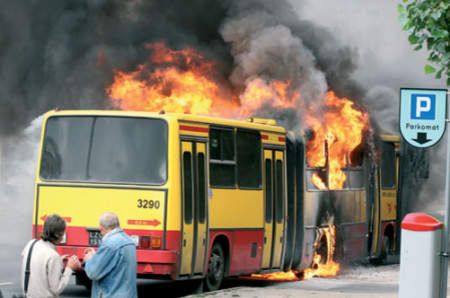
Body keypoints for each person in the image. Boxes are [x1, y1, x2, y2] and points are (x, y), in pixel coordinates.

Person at [21, 214, 80, 298]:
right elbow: (57, 288)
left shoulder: (31, 244)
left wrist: (57, 261)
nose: (64, 235)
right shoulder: (53, 256)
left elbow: (34, 261)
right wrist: (69, 268)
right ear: (57, 234)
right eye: (63, 232)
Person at [83, 212, 137, 298]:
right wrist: (95, 257)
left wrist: (89, 259)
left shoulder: (109, 244)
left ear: (101, 228)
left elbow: (93, 273)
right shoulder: (129, 241)